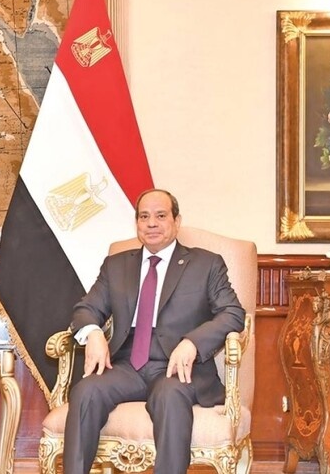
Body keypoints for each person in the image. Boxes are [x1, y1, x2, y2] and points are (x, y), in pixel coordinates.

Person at [63, 189, 246, 474]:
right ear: (136, 222)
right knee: (86, 391)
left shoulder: (206, 264)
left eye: (161, 216)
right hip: (126, 365)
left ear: (176, 221)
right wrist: (94, 333)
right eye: (144, 217)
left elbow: (233, 313)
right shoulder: (116, 265)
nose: (151, 223)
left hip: (178, 367)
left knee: (169, 396)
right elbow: (86, 308)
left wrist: (192, 343)